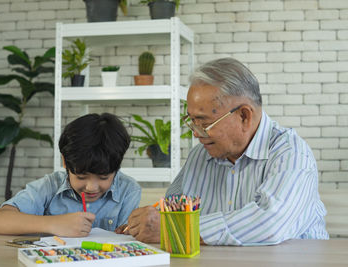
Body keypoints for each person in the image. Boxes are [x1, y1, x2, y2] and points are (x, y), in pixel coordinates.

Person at [119, 57, 328, 245]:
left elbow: (269, 224)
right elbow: (171, 209)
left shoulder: (291, 154)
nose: (196, 133)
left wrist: (176, 230)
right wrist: (146, 223)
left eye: (204, 122)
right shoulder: (200, 155)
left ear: (244, 116)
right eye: (191, 121)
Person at [0, 113, 141, 237]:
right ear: (65, 162)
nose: (91, 187)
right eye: (81, 177)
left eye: (104, 177)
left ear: (116, 168)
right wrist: (54, 223)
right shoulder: (50, 186)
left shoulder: (128, 190)